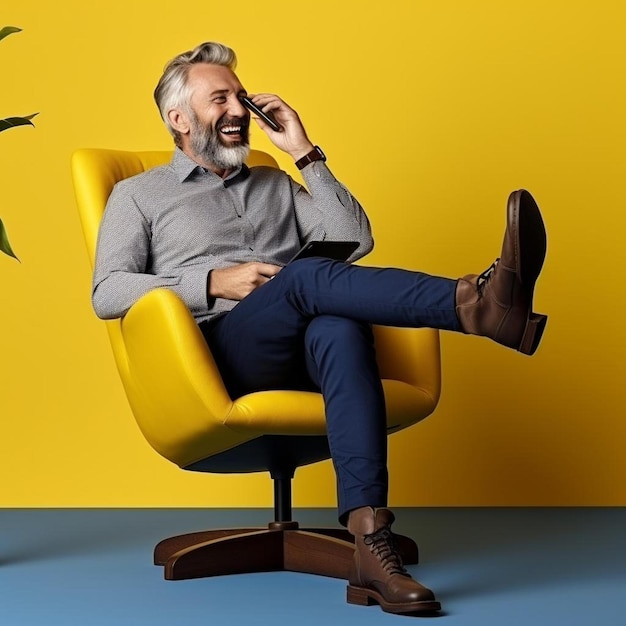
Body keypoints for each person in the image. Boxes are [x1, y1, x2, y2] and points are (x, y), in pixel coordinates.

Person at [92, 41, 548, 616]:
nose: (238, 109)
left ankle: (369, 544)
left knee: (337, 323)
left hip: (306, 345)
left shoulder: (276, 182)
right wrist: (212, 281)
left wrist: (304, 152)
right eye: (219, 98)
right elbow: (107, 292)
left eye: (241, 95)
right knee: (308, 279)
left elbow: (356, 240)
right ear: (178, 119)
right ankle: (476, 306)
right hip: (219, 356)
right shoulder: (137, 196)